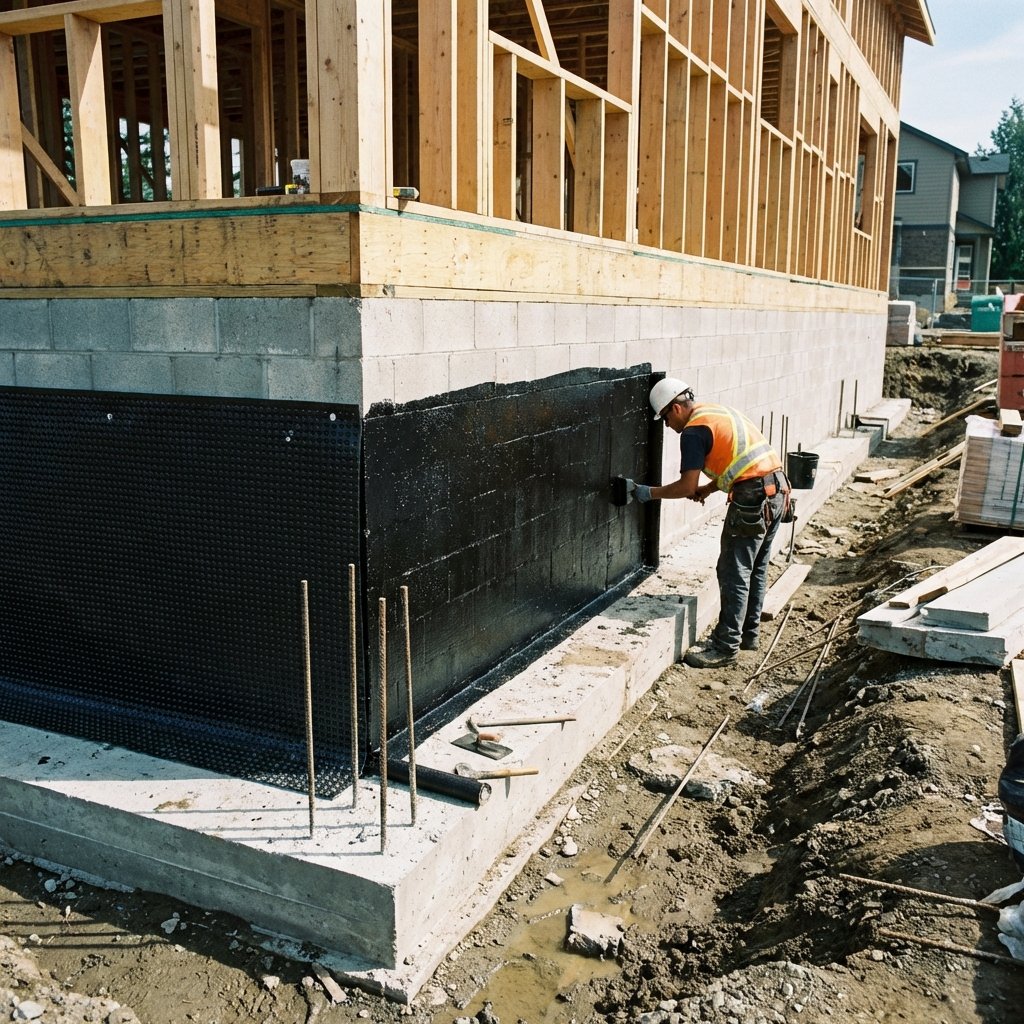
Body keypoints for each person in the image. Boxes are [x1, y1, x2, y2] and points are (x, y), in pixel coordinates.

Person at [624, 378, 790, 668]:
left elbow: (686, 486)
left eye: (665, 418)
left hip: (753, 498)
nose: (667, 426)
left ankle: (725, 648)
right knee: (755, 567)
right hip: (778, 489)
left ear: (676, 408)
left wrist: (648, 493)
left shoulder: (693, 432)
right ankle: (748, 635)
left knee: (733, 571)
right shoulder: (714, 412)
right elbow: (739, 462)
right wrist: (709, 489)